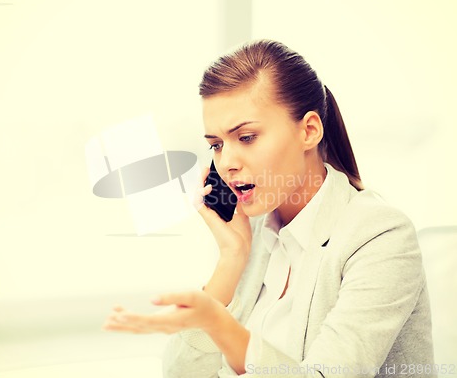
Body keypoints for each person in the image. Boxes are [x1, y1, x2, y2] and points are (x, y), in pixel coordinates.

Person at [103, 40, 435, 377]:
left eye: (246, 137)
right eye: (216, 145)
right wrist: (231, 259)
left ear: (309, 131)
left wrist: (218, 323)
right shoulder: (255, 231)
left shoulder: (380, 235)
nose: (227, 163)